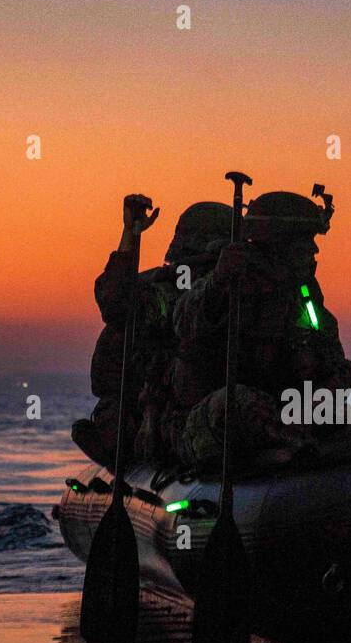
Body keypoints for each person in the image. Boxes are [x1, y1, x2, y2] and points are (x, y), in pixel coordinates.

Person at [167, 188, 351, 468]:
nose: (313, 251)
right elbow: (183, 321)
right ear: (278, 243)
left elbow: (332, 362)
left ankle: (296, 447)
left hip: (284, 413)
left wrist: (324, 395)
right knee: (237, 402)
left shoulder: (303, 294)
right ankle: (292, 448)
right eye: (304, 242)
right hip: (206, 423)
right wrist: (220, 283)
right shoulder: (228, 279)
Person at [71, 195, 231, 467]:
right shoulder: (165, 292)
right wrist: (131, 235)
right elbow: (117, 302)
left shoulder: (237, 293)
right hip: (153, 412)